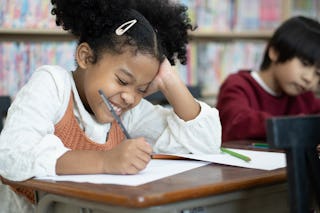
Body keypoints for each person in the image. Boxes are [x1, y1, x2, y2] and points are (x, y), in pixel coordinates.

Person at [0, 0, 221, 211]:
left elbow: (205, 144)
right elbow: (12, 155)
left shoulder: (126, 111)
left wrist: (170, 81)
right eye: (123, 81)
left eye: (142, 89)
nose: (130, 98)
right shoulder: (53, 84)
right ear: (86, 57)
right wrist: (105, 161)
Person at [216, 16, 320, 142]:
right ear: (275, 52)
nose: (309, 78)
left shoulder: (305, 98)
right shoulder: (238, 85)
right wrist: (297, 126)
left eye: (317, 73)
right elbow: (238, 122)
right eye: (305, 64)